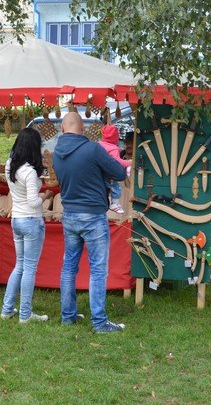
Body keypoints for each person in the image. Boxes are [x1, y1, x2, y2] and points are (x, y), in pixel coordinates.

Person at [52, 112, 128, 333]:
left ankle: (68, 316)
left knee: (69, 267)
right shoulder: (93, 149)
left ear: (63, 129)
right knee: (98, 270)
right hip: (93, 215)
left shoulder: (56, 153)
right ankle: (99, 322)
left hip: (70, 214)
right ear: (83, 129)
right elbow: (119, 173)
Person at [0, 128, 54, 323]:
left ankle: (7, 309)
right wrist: (46, 196)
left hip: (17, 219)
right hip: (31, 220)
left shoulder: (10, 165)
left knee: (20, 265)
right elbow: (33, 202)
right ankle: (25, 314)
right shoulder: (29, 172)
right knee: (29, 268)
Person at [99, 125, 132, 214]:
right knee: (116, 188)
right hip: (110, 177)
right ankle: (114, 204)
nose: (128, 146)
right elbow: (118, 162)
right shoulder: (115, 150)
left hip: (101, 175)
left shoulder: (99, 145)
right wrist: (129, 162)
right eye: (127, 143)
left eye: (131, 143)